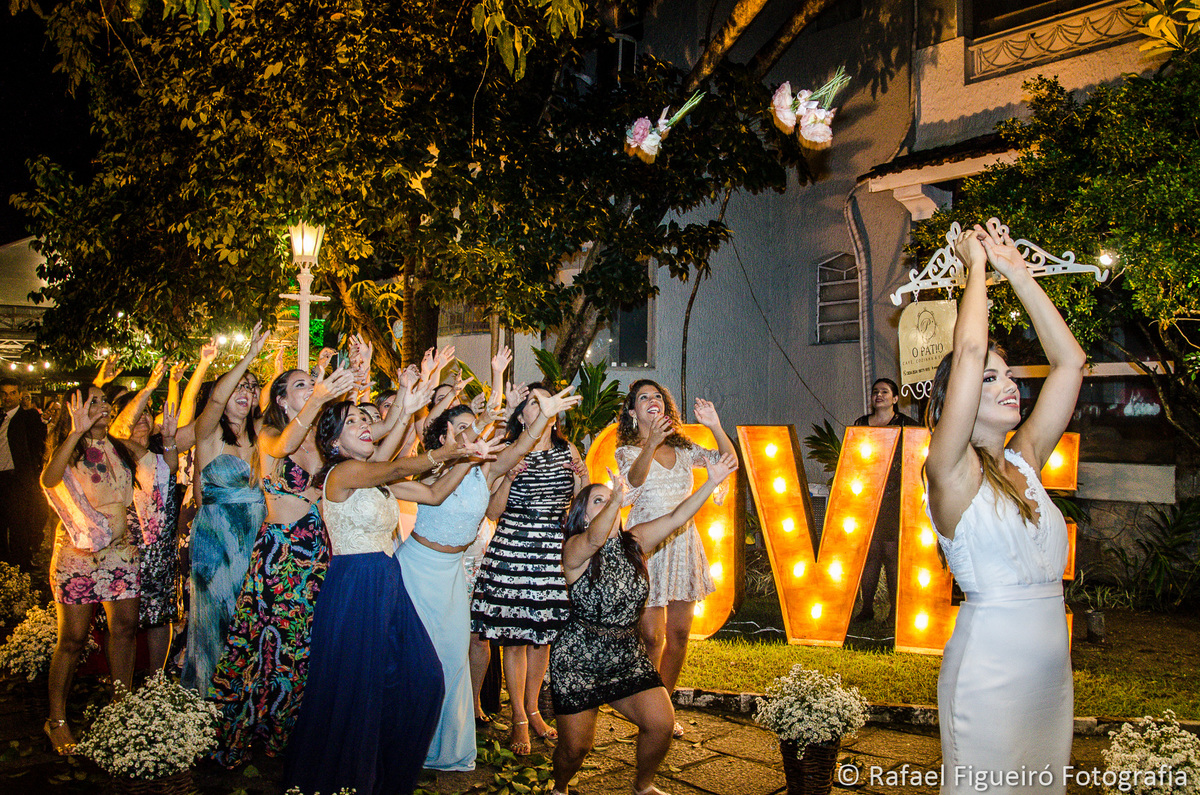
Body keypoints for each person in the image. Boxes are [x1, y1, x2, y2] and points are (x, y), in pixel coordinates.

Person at [924, 222, 1084, 794]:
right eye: (989, 379)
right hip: (988, 673)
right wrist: (976, 267)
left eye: (1010, 374)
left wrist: (1018, 272)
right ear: (955, 401)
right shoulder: (947, 472)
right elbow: (967, 350)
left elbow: (1069, 365)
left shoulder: (1024, 461)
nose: (1008, 384)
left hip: (1049, 675)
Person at [283, 400, 496, 795]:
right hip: (355, 584)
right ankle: (351, 779)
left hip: (387, 580)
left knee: (425, 677)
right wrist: (446, 450)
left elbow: (433, 494)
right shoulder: (343, 472)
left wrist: (466, 458)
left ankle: (383, 766)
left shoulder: (374, 478)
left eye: (366, 419)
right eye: (352, 421)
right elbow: (397, 465)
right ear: (333, 440)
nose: (364, 424)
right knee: (357, 688)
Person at [398, 382, 580, 771]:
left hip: (453, 573)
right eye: (459, 429)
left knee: (452, 660)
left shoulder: (489, 465)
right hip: (417, 568)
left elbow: (523, 444)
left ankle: (444, 747)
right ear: (444, 436)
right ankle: (402, 735)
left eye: (471, 428)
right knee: (412, 658)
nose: (468, 434)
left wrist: (541, 416)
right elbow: (406, 481)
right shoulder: (429, 471)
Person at [550, 453, 738, 795]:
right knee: (576, 748)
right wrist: (618, 498)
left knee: (661, 724)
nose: (609, 503)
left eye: (610, 499)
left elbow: (678, 515)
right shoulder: (575, 550)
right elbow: (594, 539)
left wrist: (712, 480)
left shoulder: (633, 542)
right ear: (583, 515)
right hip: (579, 660)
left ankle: (643, 786)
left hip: (626, 655)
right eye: (598, 501)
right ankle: (559, 788)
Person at [207, 363, 356, 765]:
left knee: (312, 647)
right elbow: (283, 447)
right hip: (282, 557)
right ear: (281, 399)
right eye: (301, 385)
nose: (312, 388)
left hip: (323, 556)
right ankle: (259, 734)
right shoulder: (269, 432)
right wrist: (321, 398)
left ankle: (297, 736)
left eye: (314, 383)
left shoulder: (325, 441)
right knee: (275, 649)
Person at [40, 385, 177, 754]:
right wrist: (73, 432)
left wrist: (169, 440)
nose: (102, 407)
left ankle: (122, 710)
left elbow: (163, 470)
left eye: (105, 402)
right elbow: (49, 480)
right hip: (79, 557)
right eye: (94, 401)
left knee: (125, 630)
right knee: (73, 638)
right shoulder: (70, 448)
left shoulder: (119, 447)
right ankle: (56, 720)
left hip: (121, 555)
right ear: (76, 409)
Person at [470, 382, 587, 755]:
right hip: (513, 546)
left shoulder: (567, 450)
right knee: (516, 637)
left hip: (550, 549)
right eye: (532, 404)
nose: (538, 409)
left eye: (543, 403)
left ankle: (535, 709)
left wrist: (583, 476)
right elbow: (492, 511)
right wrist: (508, 477)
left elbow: (582, 505)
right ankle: (518, 716)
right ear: (521, 415)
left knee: (542, 637)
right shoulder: (509, 451)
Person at [614, 380, 736, 738]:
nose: (652, 401)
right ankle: (644, 709)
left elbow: (727, 462)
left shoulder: (683, 448)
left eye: (657, 396)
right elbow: (629, 486)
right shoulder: (626, 450)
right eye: (643, 398)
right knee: (652, 637)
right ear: (633, 412)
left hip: (683, 544)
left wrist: (715, 425)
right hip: (647, 546)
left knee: (679, 634)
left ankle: (662, 712)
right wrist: (650, 443)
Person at [177, 323, 269, 691]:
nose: (246, 392)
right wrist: (249, 355)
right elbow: (215, 401)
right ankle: (208, 699)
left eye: (252, 386)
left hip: (257, 540)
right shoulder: (209, 433)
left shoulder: (263, 433)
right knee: (217, 618)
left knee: (252, 618)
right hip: (216, 541)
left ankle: (245, 700)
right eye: (239, 385)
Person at [851, 377, 918, 625]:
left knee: (891, 554)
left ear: (896, 399)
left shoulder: (907, 425)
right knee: (870, 554)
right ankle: (866, 608)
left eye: (885, 392)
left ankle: (894, 611)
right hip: (868, 497)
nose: (879, 395)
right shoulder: (861, 424)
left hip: (895, 498)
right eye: (875, 392)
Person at [0, 378, 49, 571]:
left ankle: (20, 564)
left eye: (12, 393)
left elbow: (39, 441)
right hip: (1, 478)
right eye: (4, 393)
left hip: (17, 479)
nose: (8, 397)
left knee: (19, 523)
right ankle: (4, 564)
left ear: (20, 395)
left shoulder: (28, 418)